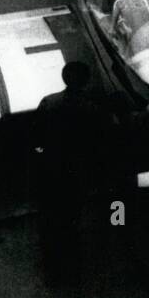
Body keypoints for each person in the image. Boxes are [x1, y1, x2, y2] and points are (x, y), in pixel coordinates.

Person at [31, 61, 116, 284]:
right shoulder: (91, 109)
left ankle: (52, 267)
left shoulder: (49, 102)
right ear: (86, 81)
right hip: (75, 172)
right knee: (70, 220)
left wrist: (40, 154)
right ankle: (69, 269)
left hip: (49, 169)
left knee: (50, 218)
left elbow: (35, 135)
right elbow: (108, 135)